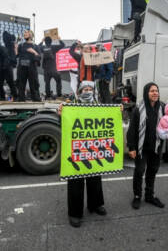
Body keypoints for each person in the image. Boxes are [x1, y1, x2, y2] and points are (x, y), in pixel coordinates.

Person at [57, 81, 106, 227]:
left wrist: (118, 111)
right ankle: (75, 213)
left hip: (93, 148)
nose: (88, 91)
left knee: (95, 177)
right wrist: (61, 115)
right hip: (76, 149)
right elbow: (65, 125)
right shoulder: (71, 106)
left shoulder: (98, 105)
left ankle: (96, 205)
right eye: (85, 88)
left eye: (91, 89)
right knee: (75, 180)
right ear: (79, 91)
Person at [128, 83, 168, 209]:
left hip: (156, 146)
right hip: (141, 146)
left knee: (152, 171)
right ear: (146, 93)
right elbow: (132, 130)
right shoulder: (139, 109)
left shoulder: (163, 107)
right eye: (152, 91)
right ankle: (137, 196)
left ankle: (150, 195)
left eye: (156, 91)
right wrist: (131, 147)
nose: (155, 93)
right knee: (139, 171)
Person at [16, 30, 41, 101]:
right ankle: (21, 99)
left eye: (26, 33)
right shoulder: (21, 45)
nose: (24, 34)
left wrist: (34, 51)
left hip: (32, 67)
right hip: (22, 67)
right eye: (24, 33)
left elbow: (39, 57)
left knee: (34, 84)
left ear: (31, 35)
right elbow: (16, 55)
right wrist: (16, 46)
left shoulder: (35, 46)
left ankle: (36, 99)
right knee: (20, 84)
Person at [2, 31, 18, 99]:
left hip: (8, 64)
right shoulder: (10, 44)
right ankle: (14, 95)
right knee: (9, 81)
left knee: (10, 81)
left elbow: (13, 54)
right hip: (7, 64)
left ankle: (15, 95)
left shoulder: (10, 44)